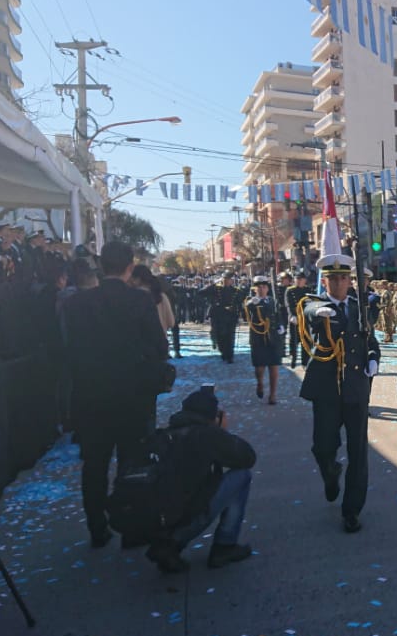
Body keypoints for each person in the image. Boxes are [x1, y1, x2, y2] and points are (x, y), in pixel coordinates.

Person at [61, 241, 169, 547]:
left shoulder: (76, 305)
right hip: (133, 396)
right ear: (130, 267)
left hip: (91, 396)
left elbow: (67, 351)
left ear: (100, 265)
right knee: (132, 461)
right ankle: (130, 524)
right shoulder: (139, 301)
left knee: (94, 465)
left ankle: (97, 526)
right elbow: (160, 347)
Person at [298, 255, 380, 533]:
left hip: (356, 387)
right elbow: (308, 311)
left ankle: (352, 510)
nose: (338, 283)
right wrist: (321, 313)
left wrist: (372, 357)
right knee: (322, 446)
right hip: (327, 389)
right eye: (332, 278)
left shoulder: (359, 308)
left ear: (350, 280)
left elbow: (370, 339)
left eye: (343, 278)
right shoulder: (316, 304)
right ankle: (330, 473)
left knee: (358, 452)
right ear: (325, 281)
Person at [142, 387, 257, 573]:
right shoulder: (206, 436)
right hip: (185, 513)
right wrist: (223, 432)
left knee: (183, 497)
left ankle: (167, 543)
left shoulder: (166, 435)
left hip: (154, 517)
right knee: (241, 476)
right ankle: (223, 545)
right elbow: (247, 458)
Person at [243, 276, 283, 405]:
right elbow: (245, 316)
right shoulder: (251, 301)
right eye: (259, 287)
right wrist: (250, 305)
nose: (261, 289)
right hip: (258, 338)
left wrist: (281, 326)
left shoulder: (273, 301)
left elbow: (279, 315)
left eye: (264, 287)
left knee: (274, 366)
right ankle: (260, 383)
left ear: (267, 288)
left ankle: (273, 395)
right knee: (259, 368)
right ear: (255, 289)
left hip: (273, 338)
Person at [208, 271, 243, 363]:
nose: (227, 281)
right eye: (225, 279)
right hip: (219, 317)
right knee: (221, 336)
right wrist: (213, 284)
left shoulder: (236, 291)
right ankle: (223, 352)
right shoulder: (216, 289)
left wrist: (240, 315)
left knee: (230, 336)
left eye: (229, 279)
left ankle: (230, 356)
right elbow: (202, 292)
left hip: (231, 317)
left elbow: (240, 304)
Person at [284, 270, 313, 367]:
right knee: (294, 340)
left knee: (306, 340)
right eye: (298, 279)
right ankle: (293, 357)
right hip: (295, 318)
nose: (300, 281)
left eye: (301, 279)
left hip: (305, 319)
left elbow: (311, 303)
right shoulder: (290, 290)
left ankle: (305, 361)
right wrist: (292, 315)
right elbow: (288, 304)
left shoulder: (308, 290)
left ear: (305, 280)